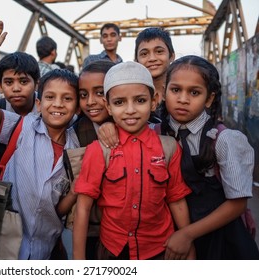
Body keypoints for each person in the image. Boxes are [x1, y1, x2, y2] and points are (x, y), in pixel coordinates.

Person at [0, 17, 80, 260]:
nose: (58, 105)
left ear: (78, 107)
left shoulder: (76, 147)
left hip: (47, 247)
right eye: (50, 98)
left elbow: (59, 207)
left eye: (68, 99)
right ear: (39, 103)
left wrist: (75, 192)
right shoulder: (21, 126)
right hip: (6, 246)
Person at [72, 61, 193, 260]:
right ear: (108, 107)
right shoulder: (99, 150)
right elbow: (83, 207)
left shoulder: (169, 147)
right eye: (119, 102)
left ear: (154, 101)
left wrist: (188, 243)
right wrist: (79, 260)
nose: (130, 110)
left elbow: (176, 199)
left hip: (159, 248)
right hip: (113, 249)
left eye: (140, 100)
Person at [158, 55, 259, 259]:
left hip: (222, 240)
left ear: (210, 98)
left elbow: (238, 203)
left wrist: (187, 234)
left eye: (194, 92)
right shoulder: (156, 133)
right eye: (175, 90)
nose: (183, 99)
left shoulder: (223, 139)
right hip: (171, 237)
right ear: (164, 92)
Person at [66, 59, 115, 259]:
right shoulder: (75, 132)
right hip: (89, 229)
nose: (91, 102)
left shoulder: (135, 126)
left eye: (100, 93)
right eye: (84, 95)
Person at [135, 27, 175, 122]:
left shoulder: (183, 93)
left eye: (159, 51)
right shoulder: (132, 95)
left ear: (172, 56)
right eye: (144, 54)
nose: (152, 58)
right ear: (136, 61)